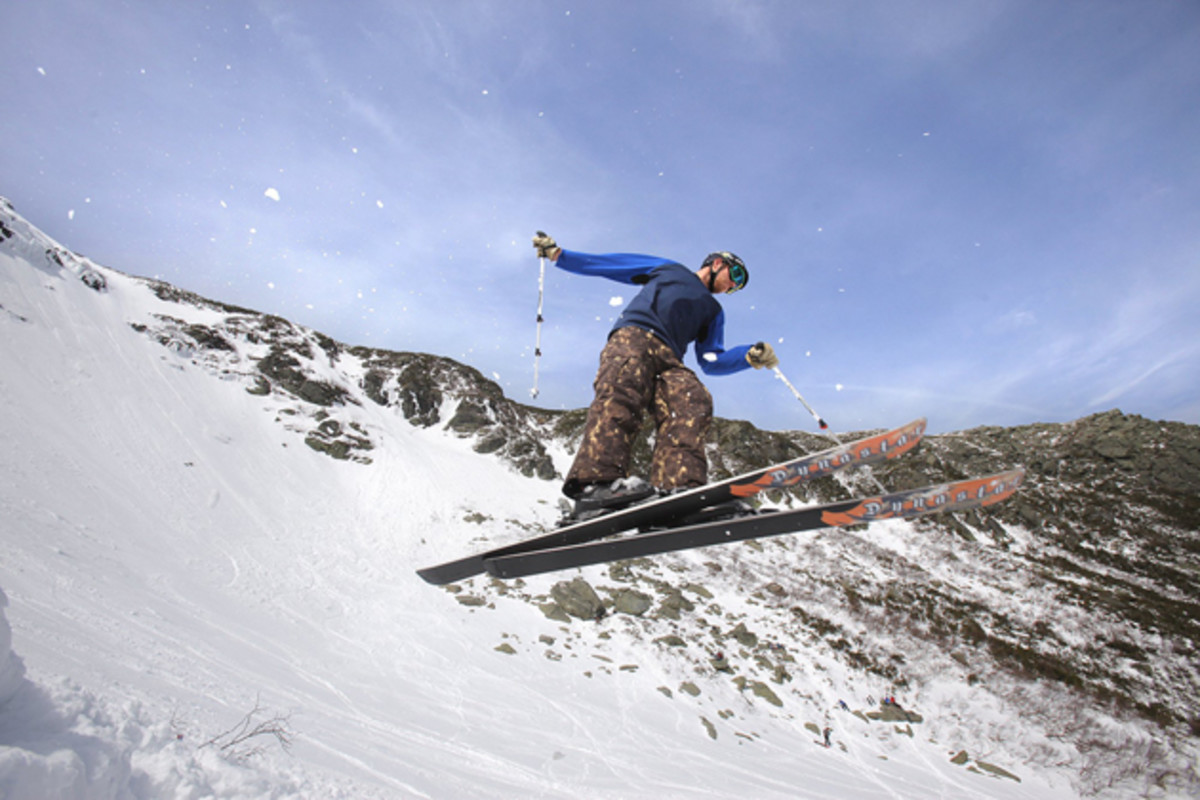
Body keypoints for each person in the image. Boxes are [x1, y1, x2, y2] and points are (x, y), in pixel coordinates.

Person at [531, 232, 778, 515]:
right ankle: (594, 485)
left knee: (692, 400)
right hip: (635, 336)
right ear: (716, 263)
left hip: (671, 358)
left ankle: (679, 491)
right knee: (623, 394)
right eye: (734, 274)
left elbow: (712, 360)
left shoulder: (713, 311)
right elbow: (613, 264)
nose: (732, 284)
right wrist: (559, 255)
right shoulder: (670, 270)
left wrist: (747, 356)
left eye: (738, 286)